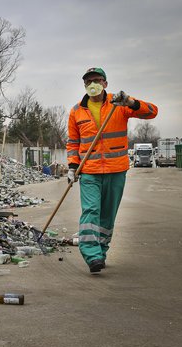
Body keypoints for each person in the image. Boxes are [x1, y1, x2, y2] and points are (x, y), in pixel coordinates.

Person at [66, 67, 158, 274]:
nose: (93, 84)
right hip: (89, 170)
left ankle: (101, 253)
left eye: (97, 80)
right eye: (89, 81)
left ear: (105, 84)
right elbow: (73, 142)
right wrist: (72, 167)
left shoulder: (119, 105)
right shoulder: (76, 111)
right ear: (84, 86)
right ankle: (91, 255)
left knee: (107, 216)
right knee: (91, 211)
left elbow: (152, 111)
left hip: (116, 170)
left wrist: (131, 102)